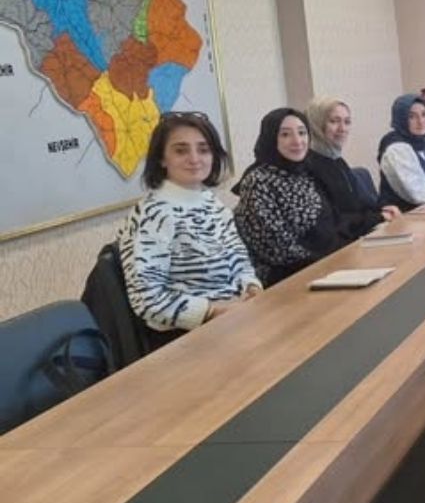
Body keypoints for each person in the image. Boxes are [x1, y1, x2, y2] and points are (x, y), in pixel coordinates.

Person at [117, 112, 261, 335]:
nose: (194, 158)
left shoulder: (211, 202)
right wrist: (212, 311)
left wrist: (251, 287)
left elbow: (239, 260)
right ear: (162, 159)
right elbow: (147, 299)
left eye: (203, 150)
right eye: (181, 150)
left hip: (235, 316)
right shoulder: (153, 213)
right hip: (189, 333)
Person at [233, 108, 344, 287]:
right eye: (285, 134)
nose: (297, 141)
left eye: (302, 133)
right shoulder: (257, 182)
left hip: (325, 266)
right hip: (286, 278)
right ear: (271, 139)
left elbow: (334, 223)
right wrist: (329, 263)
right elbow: (277, 250)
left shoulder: (307, 172)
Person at [305, 98, 400, 242]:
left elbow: (359, 203)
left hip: (358, 236)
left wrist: (383, 211)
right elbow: (335, 222)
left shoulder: (336, 160)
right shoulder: (310, 167)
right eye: (334, 121)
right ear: (316, 124)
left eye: (347, 122)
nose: (342, 128)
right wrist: (377, 218)